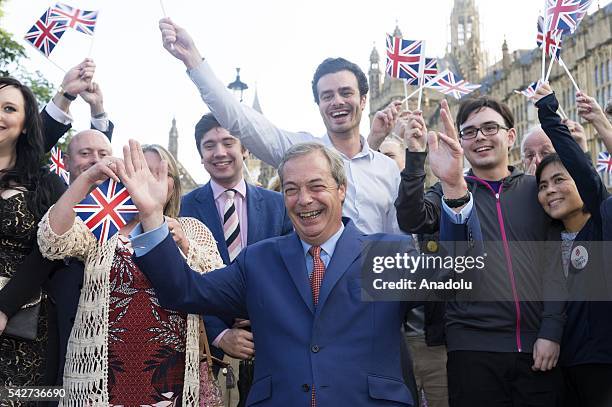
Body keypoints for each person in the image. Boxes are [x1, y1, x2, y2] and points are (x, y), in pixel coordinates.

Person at [124, 140, 482, 406]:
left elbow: (460, 278)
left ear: (341, 190)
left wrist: (453, 189)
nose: (303, 199)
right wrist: (152, 216)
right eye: (291, 190)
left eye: (316, 186)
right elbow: (183, 292)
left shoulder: (385, 254)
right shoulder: (259, 261)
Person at [158, 18, 401, 235]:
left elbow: (397, 239)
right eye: (327, 96)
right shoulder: (304, 151)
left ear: (364, 99)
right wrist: (193, 59)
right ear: (318, 104)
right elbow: (238, 119)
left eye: (346, 92)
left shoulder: (387, 169)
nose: (337, 101)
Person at [395, 99, 566, 406]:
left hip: (537, 348)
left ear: (510, 136)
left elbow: (555, 266)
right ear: (460, 141)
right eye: (470, 132)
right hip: (471, 349)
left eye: (490, 128)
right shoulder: (447, 190)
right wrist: (416, 160)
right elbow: (411, 218)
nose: (480, 137)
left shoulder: (536, 191)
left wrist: (552, 330)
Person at [38, 144, 223, 406]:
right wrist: (87, 178)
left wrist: (185, 245)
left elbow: (218, 287)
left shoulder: (191, 229)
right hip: (101, 373)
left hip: (172, 374)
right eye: (141, 170)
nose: (148, 180)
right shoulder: (103, 226)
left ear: (174, 185)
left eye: (160, 173)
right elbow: (51, 241)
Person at [181, 113, 292, 406]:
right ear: (201, 156)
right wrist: (219, 334)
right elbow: (180, 280)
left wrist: (262, 308)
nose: (219, 152)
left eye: (228, 142)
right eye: (209, 146)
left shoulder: (278, 206)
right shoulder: (182, 209)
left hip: (273, 349)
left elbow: (294, 271)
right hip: (210, 356)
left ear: (245, 149)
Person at [533, 83, 612, 407]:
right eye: (542, 185)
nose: (550, 190)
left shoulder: (603, 224)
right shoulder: (546, 241)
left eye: (560, 180)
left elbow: (583, 171)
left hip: (601, 366)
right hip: (554, 371)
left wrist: (548, 113)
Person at [0, 77, 66, 392]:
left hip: (23, 326)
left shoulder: (46, 184)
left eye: (9, 108)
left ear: (26, 124)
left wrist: (3, 307)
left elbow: (46, 253)